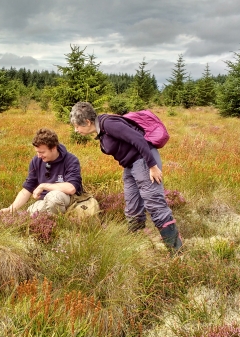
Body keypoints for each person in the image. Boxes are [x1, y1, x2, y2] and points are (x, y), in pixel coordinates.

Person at [70, 102, 182, 252]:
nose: (76, 130)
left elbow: (138, 139)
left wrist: (152, 166)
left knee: (154, 203)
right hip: (130, 166)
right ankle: (138, 241)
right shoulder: (101, 131)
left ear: (87, 122)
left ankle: (176, 249)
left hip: (144, 160)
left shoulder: (108, 124)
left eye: (77, 126)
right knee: (132, 205)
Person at [0, 128, 83, 215]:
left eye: (42, 152)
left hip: (68, 199)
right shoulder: (36, 161)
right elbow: (27, 189)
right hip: (44, 201)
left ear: (53, 148)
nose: (39, 156)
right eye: (37, 152)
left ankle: (58, 222)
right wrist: (11, 209)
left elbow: (71, 188)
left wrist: (43, 186)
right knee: (28, 214)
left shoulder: (71, 160)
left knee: (53, 198)